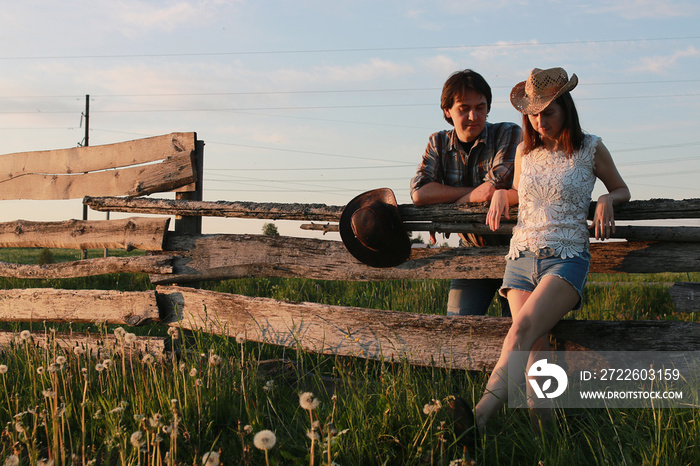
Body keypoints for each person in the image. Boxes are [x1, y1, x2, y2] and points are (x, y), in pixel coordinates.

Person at [450, 67, 630, 442]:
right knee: (536, 353)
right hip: (521, 257)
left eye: (547, 112)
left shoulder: (591, 147)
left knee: (522, 330)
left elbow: (621, 188)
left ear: (566, 107)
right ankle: (545, 440)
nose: (539, 121)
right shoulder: (524, 151)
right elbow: (521, 194)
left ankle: (478, 418)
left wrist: (606, 199)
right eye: (533, 114)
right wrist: (501, 193)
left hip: (566, 257)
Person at [410, 69, 522, 317]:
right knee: (459, 328)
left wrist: (447, 214)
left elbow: (491, 189)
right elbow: (419, 193)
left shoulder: (508, 133)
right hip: (471, 247)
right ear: (447, 111)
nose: (474, 116)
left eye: (480, 107)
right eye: (464, 108)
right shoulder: (438, 143)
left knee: (519, 331)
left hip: (516, 251)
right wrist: (473, 196)